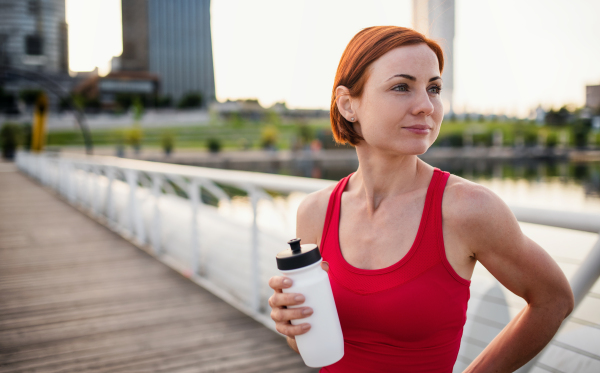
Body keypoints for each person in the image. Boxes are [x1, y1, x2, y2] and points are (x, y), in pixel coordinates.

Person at [268, 26, 574, 372]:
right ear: (347, 104)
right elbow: (307, 342)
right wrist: (292, 324)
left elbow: (554, 299)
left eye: (434, 88)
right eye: (402, 87)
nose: (426, 106)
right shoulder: (315, 212)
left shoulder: (467, 208)